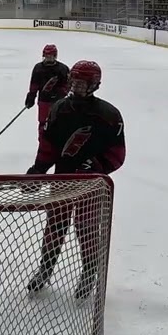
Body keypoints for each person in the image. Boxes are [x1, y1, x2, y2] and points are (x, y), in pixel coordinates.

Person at [24, 60, 125, 299]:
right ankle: (45, 268)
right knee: (55, 225)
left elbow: (118, 155)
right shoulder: (59, 108)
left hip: (91, 184)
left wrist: (97, 166)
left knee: (86, 228)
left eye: (83, 83)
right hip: (62, 178)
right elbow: (48, 146)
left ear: (95, 85)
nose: (77, 87)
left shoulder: (109, 115)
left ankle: (89, 272)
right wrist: (38, 170)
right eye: (75, 81)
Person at [24, 44, 70, 140]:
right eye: (47, 55)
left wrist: (61, 93)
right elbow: (34, 84)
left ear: (55, 56)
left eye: (51, 55)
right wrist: (31, 96)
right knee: (43, 122)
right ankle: (43, 140)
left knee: (58, 122)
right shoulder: (38, 68)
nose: (48, 58)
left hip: (58, 102)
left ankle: (58, 142)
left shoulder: (62, 69)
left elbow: (68, 84)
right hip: (44, 101)